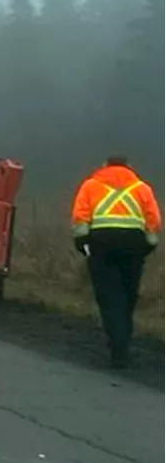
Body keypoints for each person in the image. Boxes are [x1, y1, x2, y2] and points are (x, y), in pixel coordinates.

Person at [71, 155, 161, 369]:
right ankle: (124, 342)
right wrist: (148, 245)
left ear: (104, 166)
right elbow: (153, 220)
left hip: (102, 244)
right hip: (133, 246)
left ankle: (117, 347)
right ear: (129, 167)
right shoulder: (142, 188)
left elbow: (80, 216)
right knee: (128, 294)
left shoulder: (90, 185)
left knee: (109, 296)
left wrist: (82, 243)